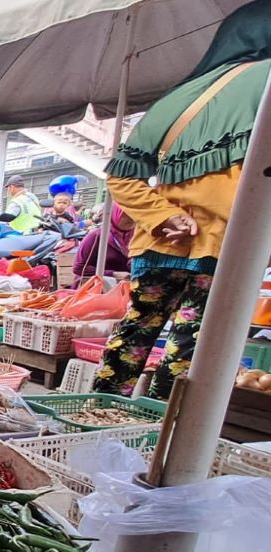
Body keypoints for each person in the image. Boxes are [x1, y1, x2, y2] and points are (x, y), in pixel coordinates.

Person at [92, 3, 270, 400]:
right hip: (226, 248)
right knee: (189, 351)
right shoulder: (267, 84)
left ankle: (95, 417)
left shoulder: (179, 98)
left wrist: (163, 215)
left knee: (131, 340)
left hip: (160, 245)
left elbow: (121, 174)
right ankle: (161, 433)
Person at [73, 204, 134, 281]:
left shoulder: (138, 238)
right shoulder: (97, 236)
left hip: (128, 287)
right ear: (115, 214)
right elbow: (78, 268)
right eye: (126, 215)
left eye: (135, 214)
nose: (131, 219)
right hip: (97, 287)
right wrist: (113, 274)